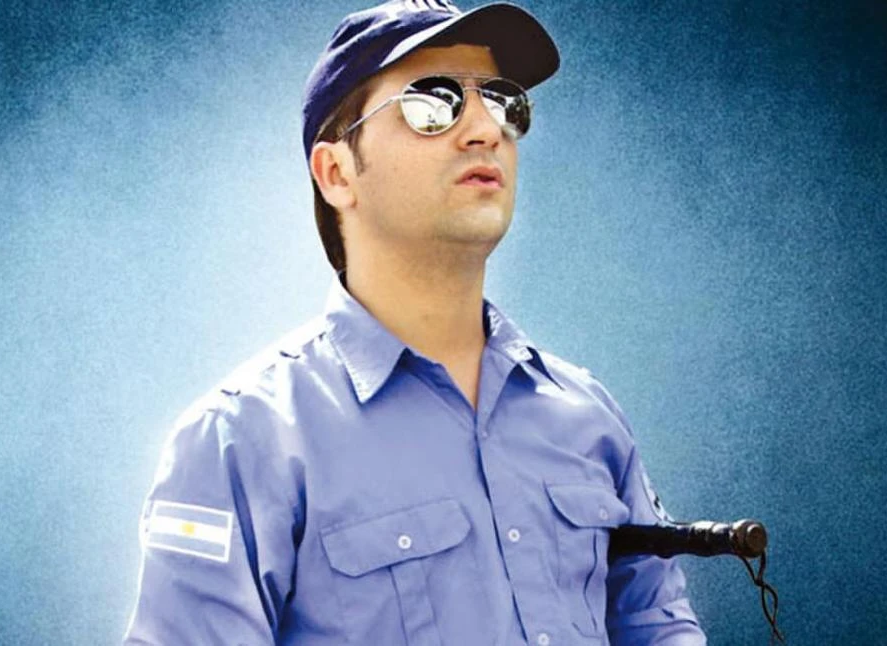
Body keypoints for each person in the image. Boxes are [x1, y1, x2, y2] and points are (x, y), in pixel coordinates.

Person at [123, 1, 707, 644]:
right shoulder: (241, 440)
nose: (485, 128)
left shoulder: (587, 417)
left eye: (503, 101)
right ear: (337, 173)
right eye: (432, 103)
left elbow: (660, 628)